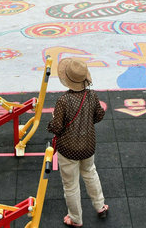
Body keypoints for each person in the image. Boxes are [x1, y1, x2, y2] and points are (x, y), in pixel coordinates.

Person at [47, 58, 109, 227]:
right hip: (88, 144)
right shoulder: (91, 95)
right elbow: (100, 115)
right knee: (90, 172)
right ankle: (100, 206)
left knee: (71, 185)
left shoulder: (63, 101)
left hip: (68, 148)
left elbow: (57, 127)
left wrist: (51, 123)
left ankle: (75, 218)